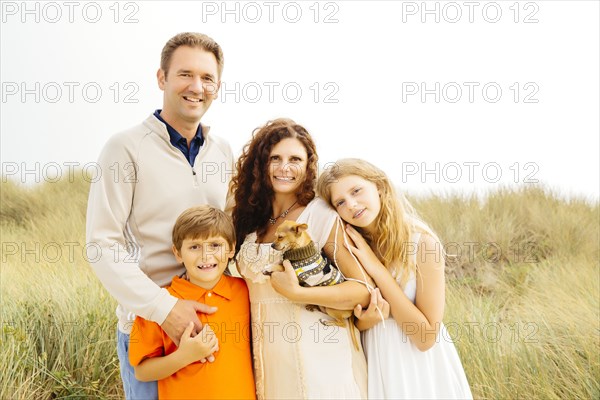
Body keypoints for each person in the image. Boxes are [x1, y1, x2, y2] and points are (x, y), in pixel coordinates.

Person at [85, 32, 233, 398]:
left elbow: (231, 238)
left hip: (213, 327)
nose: (197, 86)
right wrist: (164, 308)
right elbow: (101, 244)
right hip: (151, 327)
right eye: (185, 74)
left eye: (207, 78)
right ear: (162, 78)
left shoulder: (223, 151)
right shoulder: (125, 147)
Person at [230, 118, 371, 399]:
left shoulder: (318, 215)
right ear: (260, 164)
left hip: (319, 359)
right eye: (275, 158)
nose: (285, 167)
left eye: (295, 159)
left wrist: (296, 292)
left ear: (308, 165)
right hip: (266, 361)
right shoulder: (248, 218)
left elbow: (362, 291)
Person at [317, 158, 473, 399]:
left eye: (356, 191)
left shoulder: (422, 243)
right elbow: (354, 322)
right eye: (340, 202)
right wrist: (364, 322)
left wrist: (376, 268)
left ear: (378, 186)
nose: (351, 204)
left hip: (419, 370)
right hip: (375, 364)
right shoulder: (349, 249)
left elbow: (425, 337)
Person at [128, 205, 256, 399]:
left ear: (231, 249)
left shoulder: (245, 290)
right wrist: (184, 357)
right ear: (178, 253)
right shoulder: (162, 303)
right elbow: (142, 372)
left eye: (215, 245)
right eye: (194, 247)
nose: (205, 256)